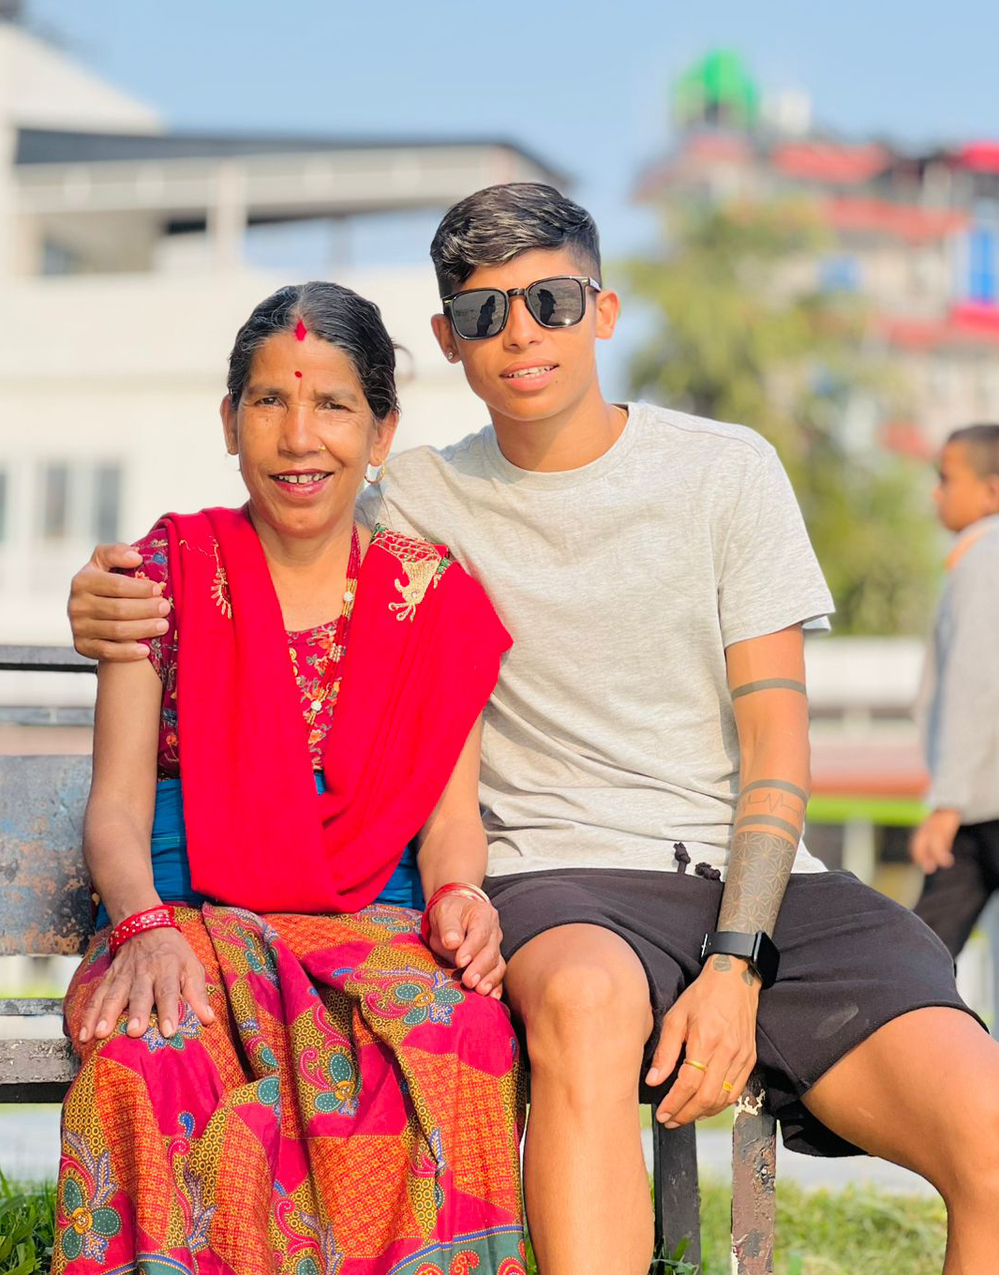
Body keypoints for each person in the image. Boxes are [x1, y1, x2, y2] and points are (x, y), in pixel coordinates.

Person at [68, 185, 999, 1275]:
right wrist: (108, 598)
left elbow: (777, 754)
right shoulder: (415, 494)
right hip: (563, 882)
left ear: (603, 311)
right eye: (484, 311)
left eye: (551, 301)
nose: (520, 334)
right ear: (446, 340)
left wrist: (736, 963)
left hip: (766, 889)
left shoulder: (726, 471)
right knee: (587, 1002)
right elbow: (280, 521)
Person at [54, 282, 527, 1275]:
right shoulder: (160, 577)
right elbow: (117, 808)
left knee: (463, 1037)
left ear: (381, 431)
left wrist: (461, 895)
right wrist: (141, 928)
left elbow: (451, 823)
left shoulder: (430, 601)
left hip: (369, 929)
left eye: (334, 405)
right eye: (270, 401)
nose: (299, 436)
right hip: (180, 919)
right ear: (230, 422)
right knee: (148, 1057)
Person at [911, 424, 999, 956]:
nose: (936, 492)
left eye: (946, 478)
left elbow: (978, 681)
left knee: (915, 960)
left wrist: (946, 803)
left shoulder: (986, 560)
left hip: (979, 807)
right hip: (978, 804)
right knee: (922, 953)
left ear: (992, 490)